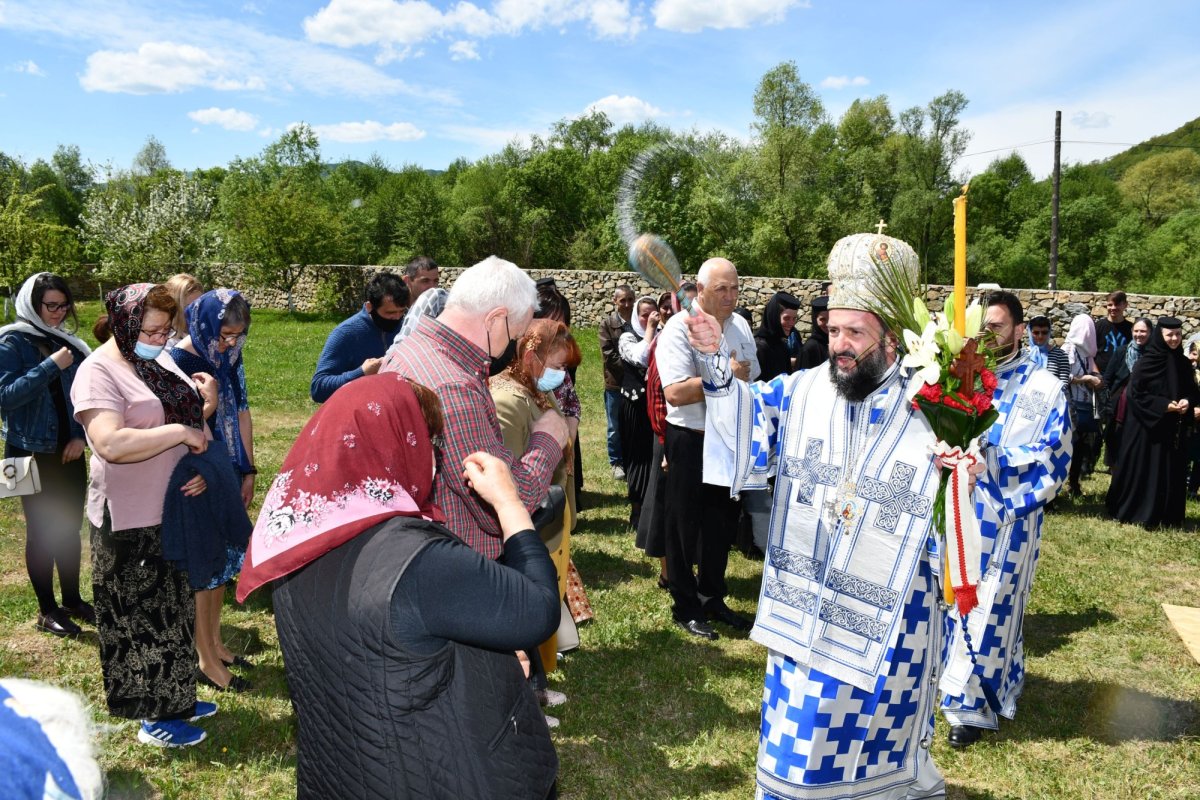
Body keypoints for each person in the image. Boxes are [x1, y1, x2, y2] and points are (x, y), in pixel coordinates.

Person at [685, 232, 947, 799]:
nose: (839, 346)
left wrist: (963, 468)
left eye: (855, 333)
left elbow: (969, 497)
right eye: (832, 331)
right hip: (807, 605)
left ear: (892, 337)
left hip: (892, 611)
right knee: (800, 738)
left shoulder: (936, 403)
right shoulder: (805, 389)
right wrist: (713, 361)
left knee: (879, 734)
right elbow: (745, 417)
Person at [237, 377, 560, 799]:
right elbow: (536, 609)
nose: (435, 457)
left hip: (342, 773)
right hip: (438, 774)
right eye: (430, 442)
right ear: (396, 445)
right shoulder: (417, 558)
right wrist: (509, 502)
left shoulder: (292, 549)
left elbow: (391, 651)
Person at [71, 283, 219, 748]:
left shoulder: (159, 359)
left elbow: (190, 419)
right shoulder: (98, 373)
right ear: (124, 323)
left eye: (164, 330)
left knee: (172, 606)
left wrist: (197, 459)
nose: (160, 339)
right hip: (130, 515)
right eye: (150, 330)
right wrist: (180, 431)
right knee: (139, 615)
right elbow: (111, 443)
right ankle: (152, 715)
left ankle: (175, 694)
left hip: (172, 506)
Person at [939, 291, 1072, 749]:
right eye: (981, 328)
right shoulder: (959, 379)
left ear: (1018, 329)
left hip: (1008, 519)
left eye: (996, 327)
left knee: (990, 607)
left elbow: (1054, 457)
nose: (988, 336)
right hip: (954, 511)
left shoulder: (1045, 389)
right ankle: (938, 679)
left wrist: (990, 464)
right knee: (947, 599)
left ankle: (969, 706)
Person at [380, 256, 570, 559]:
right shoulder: (454, 387)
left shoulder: (410, 349)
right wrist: (547, 441)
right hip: (464, 566)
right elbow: (506, 503)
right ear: (495, 318)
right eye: (514, 335)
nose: (512, 346)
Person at [656, 257, 759, 640]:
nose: (730, 297)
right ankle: (685, 605)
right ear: (699, 290)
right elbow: (676, 393)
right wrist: (720, 377)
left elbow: (753, 374)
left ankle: (712, 596)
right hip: (691, 436)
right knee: (683, 524)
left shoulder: (741, 326)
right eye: (721, 289)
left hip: (728, 434)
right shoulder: (677, 330)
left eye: (735, 288)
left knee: (721, 522)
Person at [169, 288, 256, 692]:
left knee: (223, 563)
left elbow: (241, 411)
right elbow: (176, 425)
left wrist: (247, 468)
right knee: (205, 567)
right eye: (224, 335)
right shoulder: (178, 361)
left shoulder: (229, 356)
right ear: (204, 324)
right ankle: (203, 658)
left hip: (225, 468)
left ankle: (216, 642)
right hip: (197, 472)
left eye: (237, 335)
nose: (230, 344)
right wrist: (199, 469)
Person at [0, 273, 92, 637]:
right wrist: (50, 365)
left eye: (63, 305)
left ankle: (72, 599)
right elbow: (5, 397)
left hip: (68, 451)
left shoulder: (72, 344)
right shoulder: (10, 341)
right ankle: (45, 610)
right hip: (20, 452)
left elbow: (88, 397)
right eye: (49, 306)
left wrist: (81, 437)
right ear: (31, 304)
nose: (58, 313)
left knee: (70, 527)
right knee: (39, 533)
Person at [490, 319, 580, 681]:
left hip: (550, 521)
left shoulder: (535, 390)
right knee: (524, 604)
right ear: (531, 357)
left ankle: (539, 679)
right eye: (558, 366)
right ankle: (528, 686)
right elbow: (510, 479)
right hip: (530, 526)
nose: (562, 376)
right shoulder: (507, 401)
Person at [1105, 318, 1200, 529]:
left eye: (1177, 334)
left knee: (1171, 472)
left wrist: (1188, 401)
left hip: (1173, 430)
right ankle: (1140, 512)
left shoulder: (1183, 364)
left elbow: (1193, 392)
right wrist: (1164, 406)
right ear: (1160, 335)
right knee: (1146, 470)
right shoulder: (1146, 362)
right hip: (1146, 430)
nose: (1174, 339)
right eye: (1169, 335)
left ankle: (1168, 516)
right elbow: (1136, 395)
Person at [310, 271, 409, 403]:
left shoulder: (405, 328)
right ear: (369, 307)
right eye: (390, 313)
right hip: (358, 415)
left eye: (401, 311)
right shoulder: (345, 334)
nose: (397, 318)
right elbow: (318, 388)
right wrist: (361, 372)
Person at [617, 297, 660, 529]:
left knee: (654, 457)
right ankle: (636, 508)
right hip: (634, 404)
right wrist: (651, 330)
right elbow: (639, 357)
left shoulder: (665, 335)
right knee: (636, 456)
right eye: (644, 314)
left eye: (653, 314)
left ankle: (651, 508)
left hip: (655, 406)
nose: (649, 318)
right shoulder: (627, 336)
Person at [1100, 316, 1153, 466]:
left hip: (1143, 407)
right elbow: (1108, 379)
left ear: (1150, 333)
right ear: (1131, 331)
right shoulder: (1121, 351)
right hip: (1120, 406)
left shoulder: (1154, 356)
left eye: (1143, 331)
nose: (1139, 334)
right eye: (1136, 331)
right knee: (1116, 442)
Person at [1063, 314, 1103, 495]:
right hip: (1070, 406)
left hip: (1084, 404)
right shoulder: (1068, 350)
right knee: (1069, 446)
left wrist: (1096, 379)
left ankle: (1074, 483)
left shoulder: (1086, 353)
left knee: (1080, 448)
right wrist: (1085, 379)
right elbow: (1063, 377)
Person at [599, 285, 635, 480]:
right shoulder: (607, 324)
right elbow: (609, 355)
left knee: (634, 423)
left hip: (637, 385)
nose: (627, 304)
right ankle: (616, 462)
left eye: (630, 299)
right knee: (615, 426)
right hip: (616, 384)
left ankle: (632, 460)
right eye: (623, 300)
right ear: (615, 302)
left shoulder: (640, 323)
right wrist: (634, 367)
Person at [1095, 291, 1133, 468]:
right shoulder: (1098, 327)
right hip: (1100, 378)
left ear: (1125, 305)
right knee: (1096, 423)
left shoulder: (1131, 329)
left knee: (1116, 422)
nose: (1113, 308)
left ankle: (1112, 461)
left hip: (1122, 382)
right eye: (1110, 305)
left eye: (1117, 305)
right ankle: (1090, 459)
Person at [755, 291, 801, 383]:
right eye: (786, 318)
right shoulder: (759, 347)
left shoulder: (783, 346)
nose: (791, 323)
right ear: (774, 316)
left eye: (794, 318)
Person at [1026, 314, 1070, 391]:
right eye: (1036, 333)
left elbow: (1063, 384)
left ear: (1049, 332)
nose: (1040, 336)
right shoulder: (1023, 354)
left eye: (1044, 332)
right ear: (1030, 332)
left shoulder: (1060, 355)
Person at [162, 273, 203, 348]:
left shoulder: (202, 336)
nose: (195, 313)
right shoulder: (163, 342)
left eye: (199, 307)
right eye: (189, 307)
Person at [795, 295, 829, 370]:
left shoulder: (837, 344)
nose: (828, 323)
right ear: (815, 320)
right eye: (823, 319)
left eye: (831, 318)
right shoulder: (809, 349)